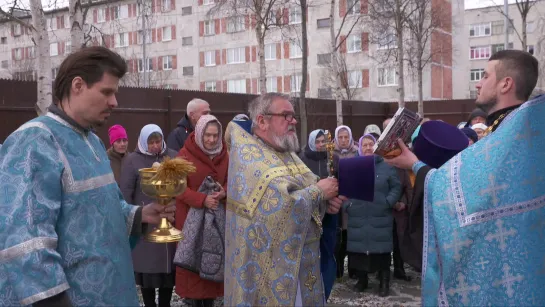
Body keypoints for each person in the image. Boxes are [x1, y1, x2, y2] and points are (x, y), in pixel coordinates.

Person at [0, 46, 174, 306]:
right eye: (107, 91)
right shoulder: (35, 141)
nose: (114, 102)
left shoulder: (91, 141)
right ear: (78, 85)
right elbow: (26, 242)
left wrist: (140, 215)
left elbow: (101, 212)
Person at [387, 50, 543, 305]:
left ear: (506, 84)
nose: (478, 83)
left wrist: (414, 165)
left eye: (484, 75)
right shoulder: (520, 131)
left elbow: (455, 194)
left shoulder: (509, 139)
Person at [224, 93, 345, 306]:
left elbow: (307, 191)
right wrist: (318, 193)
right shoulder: (251, 160)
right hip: (269, 271)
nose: (294, 121)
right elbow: (276, 208)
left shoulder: (286, 153)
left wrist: (326, 204)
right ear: (262, 121)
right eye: (286, 116)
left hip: (302, 265)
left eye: (293, 116)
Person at [120, 124, 178, 307]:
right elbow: (126, 193)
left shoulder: (173, 157)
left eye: (158, 141)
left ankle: (165, 304)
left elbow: (180, 186)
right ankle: (149, 304)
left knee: (167, 273)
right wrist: (133, 216)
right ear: (144, 142)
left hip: (168, 222)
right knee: (147, 272)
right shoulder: (132, 161)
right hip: (145, 224)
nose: (155, 146)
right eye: (151, 142)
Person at [175, 115, 228, 307]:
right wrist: (202, 199)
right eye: (207, 135)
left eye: (215, 136)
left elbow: (233, 180)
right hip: (192, 225)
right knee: (194, 279)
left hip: (215, 222)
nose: (212, 140)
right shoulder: (184, 155)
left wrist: (225, 192)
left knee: (212, 279)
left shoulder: (225, 154)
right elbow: (177, 187)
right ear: (199, 134)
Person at [346, 134, 401, 297]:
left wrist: (388, 202)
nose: (368, 147)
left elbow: (396, 187)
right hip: (358, 215)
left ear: (376, 147)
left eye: (371, 144)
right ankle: (362, 280)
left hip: (380, 214)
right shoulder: (352, 166)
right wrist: (347, 205)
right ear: (360, 148)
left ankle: (384, 282)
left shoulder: (386, 166)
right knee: (359, 249)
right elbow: (344, 189)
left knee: (382, 249)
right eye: (365, 145)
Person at [299, 129, 337, 300]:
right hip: (311, 214)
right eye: (318, 141)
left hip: (330, 214)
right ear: (311, 142)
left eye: (324, 141)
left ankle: (325, 293)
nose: (321, 144)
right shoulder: (302, 159)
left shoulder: (333, 159)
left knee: (328, 252)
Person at [333, 125, 358, 279]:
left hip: (353, 199)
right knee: (339, 236)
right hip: (337, 200)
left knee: (351, 234)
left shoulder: (357, 153)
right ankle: (338, 268)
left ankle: (354, 268)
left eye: (346, 137)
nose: (343, 140)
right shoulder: (330, 153)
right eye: (340, 137)